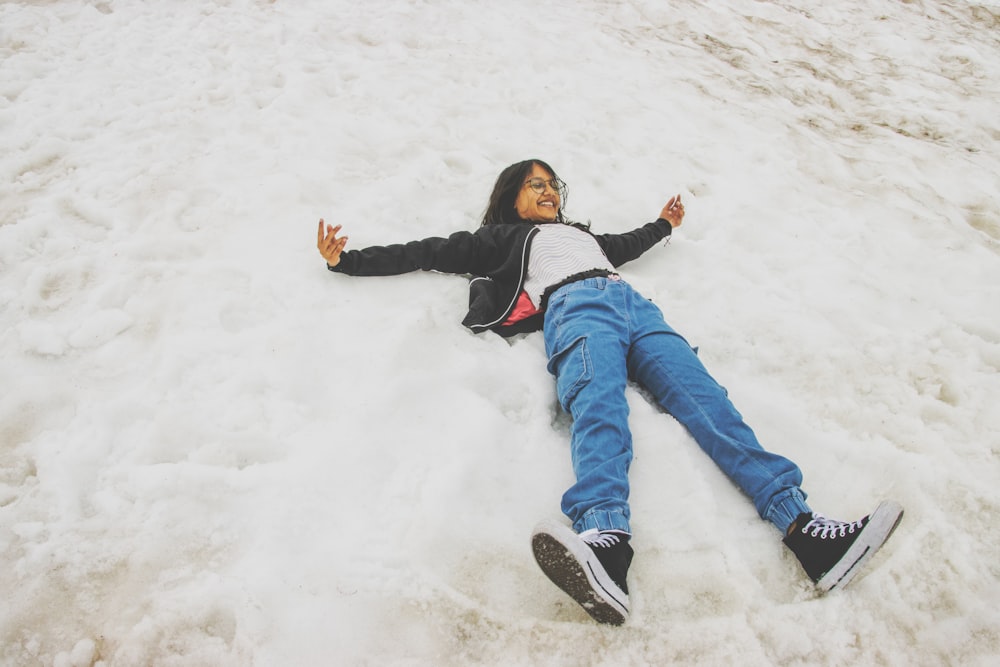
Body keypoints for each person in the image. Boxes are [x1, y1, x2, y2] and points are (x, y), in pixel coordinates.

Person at [317, 158, 904, 625]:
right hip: (577, 307)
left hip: (636, 308)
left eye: (551, 184)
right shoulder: (500, 238)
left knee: (709, 404)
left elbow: (626, 243)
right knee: (596, 401)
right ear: (511, 198)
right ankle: (606, 544)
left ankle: (805, 532)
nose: (547, 191)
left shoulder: (580, 234)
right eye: (533, 184)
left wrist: (665, 226)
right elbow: (430, 251)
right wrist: (350, 259)